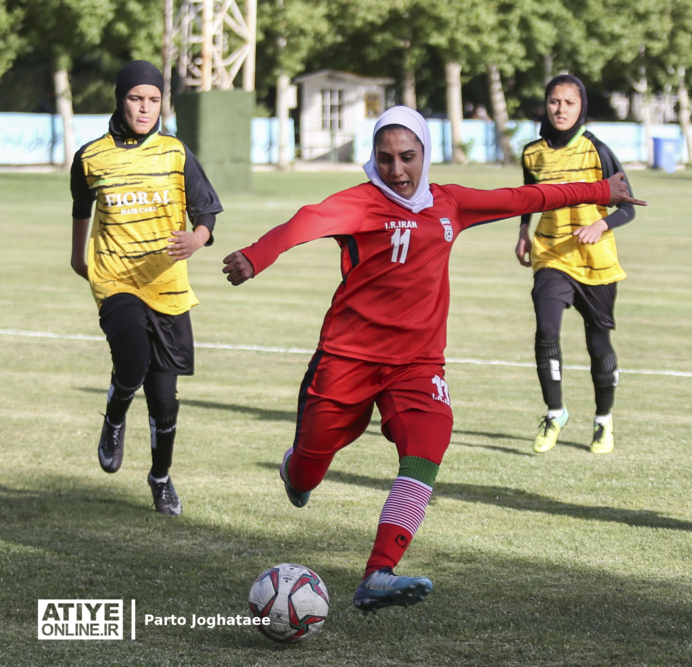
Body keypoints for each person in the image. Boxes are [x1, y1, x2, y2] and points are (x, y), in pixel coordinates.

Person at [222, 106, 644, 612]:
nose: (396, 170)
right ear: (372, 159)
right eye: (385, 159)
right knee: (309, 471)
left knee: (429, 440)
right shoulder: (359, 203)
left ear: (426, 153)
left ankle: (378, 572)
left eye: (407, 157)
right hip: (346, 358)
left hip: (417, 364)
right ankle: (297, 472)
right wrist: (255, 256)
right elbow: (305, 223)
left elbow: (526, 197)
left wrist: (603, 191)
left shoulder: (450, 204)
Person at [70, 60, 223, 516]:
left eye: (154, 99)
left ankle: (160, 478)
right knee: (132, 359)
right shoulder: (91, 156)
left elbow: (207, 212)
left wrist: (197, 239)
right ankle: (115, 415)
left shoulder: (175, 152)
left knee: (164, 399)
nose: (145, 108)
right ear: (120, 99)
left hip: (169, 287)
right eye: (136, 98)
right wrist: (80, 259)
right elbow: (81, 206)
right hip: (116, 279)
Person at [515, 75, 636, 455]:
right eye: (554, 101)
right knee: (546, 330)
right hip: (550, 254)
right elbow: (527, 199)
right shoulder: (532, 152)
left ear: (581, 106)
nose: (561, 109)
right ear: (546, 105)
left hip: (595, 261)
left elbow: (629, 206)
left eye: (569, 102)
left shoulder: (598, 150)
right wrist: (523, 232)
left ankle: (603, 421)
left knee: (597, 343)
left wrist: (601, 224)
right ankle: (554, 412)